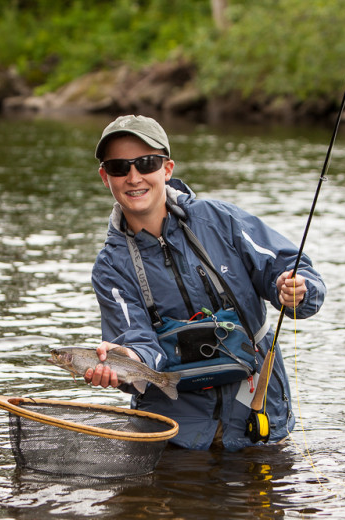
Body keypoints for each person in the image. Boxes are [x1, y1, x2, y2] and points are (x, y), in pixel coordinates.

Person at [82, 115, 326, 451]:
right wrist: (127, 358)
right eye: (119, 167)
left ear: (167, 169)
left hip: (258, 411)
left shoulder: (220, 220)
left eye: (146, 163)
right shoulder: (110, 267)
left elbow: (289, 268)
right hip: (175, 431)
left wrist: (298, 290)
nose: (133, 177)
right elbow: (135, 340)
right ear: (104, 177)